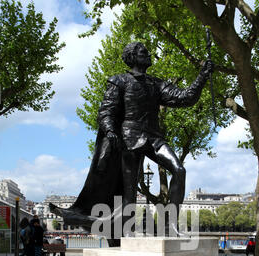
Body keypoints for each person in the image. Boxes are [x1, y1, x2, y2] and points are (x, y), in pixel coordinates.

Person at [49, 42, 214, 241]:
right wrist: (110, 131)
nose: (149, 54)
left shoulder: (157, 84)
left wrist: (203, 76)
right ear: (133, 56)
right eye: (144, 52)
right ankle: (124, 231)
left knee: (179, 170)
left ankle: (169, 226)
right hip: (130, 138)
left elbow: (185, 98)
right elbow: (106, 111)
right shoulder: (119, 81)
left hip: (154, 137)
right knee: (129, 194)